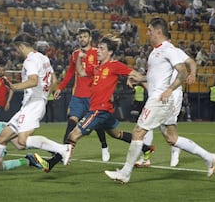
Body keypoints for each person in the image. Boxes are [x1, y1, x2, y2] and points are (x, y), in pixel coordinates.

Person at [104, 17, 215, 184]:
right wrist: (140, 80)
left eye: (150, 31)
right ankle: (209, 157)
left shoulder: (168, 49)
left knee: (138, 132)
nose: (148, 34)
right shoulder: (155, 52)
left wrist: (170, 89)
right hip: (160, 98)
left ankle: (125, 173)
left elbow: (182, 72)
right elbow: (154, 78)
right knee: (172, 138)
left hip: (158, 99)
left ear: (158, 31)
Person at [32, 35, 155, 173]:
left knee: (73, 136)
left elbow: (137, 75)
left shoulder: (115, 66)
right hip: (105, 111)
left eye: (102, 49)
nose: (98, 51)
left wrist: (148, 89)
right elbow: (81, 72)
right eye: (98, 48)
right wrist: (79, 58)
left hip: (99, 110)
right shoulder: (96, 67)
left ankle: (50, 163)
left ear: (110, 52)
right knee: (117, 134)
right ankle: (146, 148)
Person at [0, 32, 72, 182]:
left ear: (21, 46)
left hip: (33, 104)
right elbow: (53, 80)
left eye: (17, 48)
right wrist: (44, 94)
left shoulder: (30, 61)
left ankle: (62, 149)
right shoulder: (43, 57)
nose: (16, 51)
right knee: (3, 137)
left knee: (22, 141)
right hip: (35, 103)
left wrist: (15, 87)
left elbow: (33, 81)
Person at [51, 28, 111, 165]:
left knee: (97, 124)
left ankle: (104, 145)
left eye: (84, 36)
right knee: (71, 122)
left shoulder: (97, 53)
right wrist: (60, 88)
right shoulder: (75, 54)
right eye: (80, 37)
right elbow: (70, 73)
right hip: (77, 95)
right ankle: (64, 152)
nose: (82, 39)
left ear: (90, 39)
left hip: (92, 96)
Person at [135, 45, 197, 168]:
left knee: (168, 126)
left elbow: (191, 62)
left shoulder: (175, 51)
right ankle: (145, 157)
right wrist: (140, 80)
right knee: (147, 123)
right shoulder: (155, 53)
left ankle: (175, 148)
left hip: (174, 93)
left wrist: (193, 73)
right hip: (159, 91)